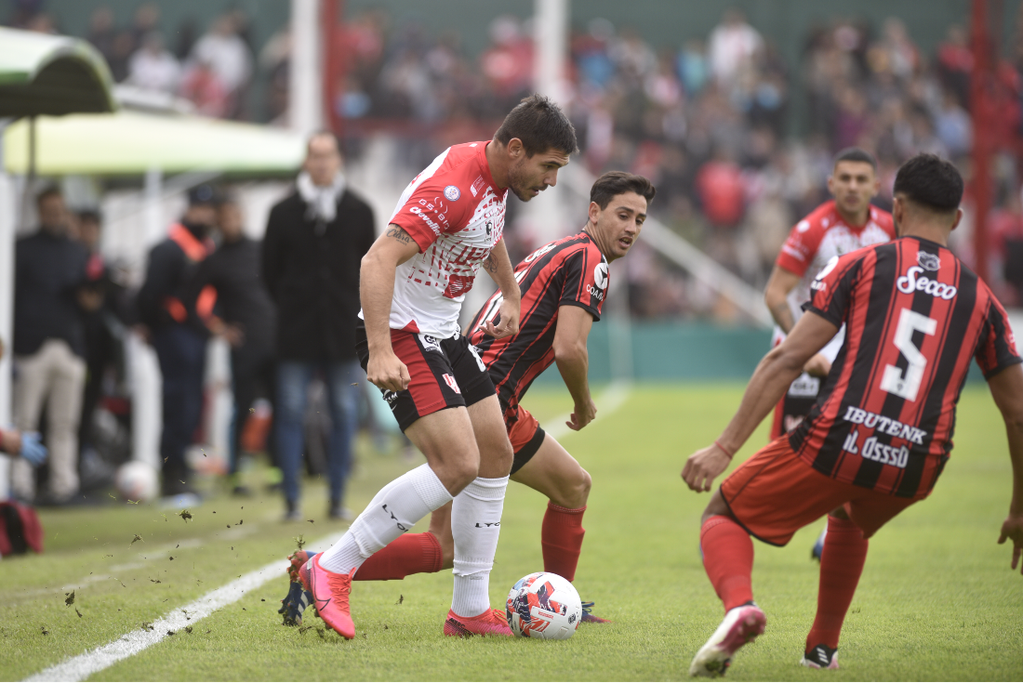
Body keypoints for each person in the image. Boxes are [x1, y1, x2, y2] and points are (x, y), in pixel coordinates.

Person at [681, 154, 1023, 676]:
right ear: (957, 219)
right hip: (919, 463)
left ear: (897, 207)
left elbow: (787, 357)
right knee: (847, 517)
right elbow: (1017, 412)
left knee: (723, 513)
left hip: (843, 438)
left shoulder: (862, 264)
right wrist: (1020, 509)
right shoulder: (984, 300)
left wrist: (723, 447)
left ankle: (741, 608)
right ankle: (822, 649)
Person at [279, 171, 655, 626]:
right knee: (571, 487)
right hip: (488, 397)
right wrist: (582, 403)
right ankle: (553, 603)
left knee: (446, 547)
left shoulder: (561, 249)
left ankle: (322, 565)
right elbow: (569, 348)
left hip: (476, 382)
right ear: (594, 212)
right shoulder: (589, 259)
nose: (632, 227)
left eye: (640, 219)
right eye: (623, 215)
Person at [297, 94, 578, 640]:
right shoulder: (452, 186)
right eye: (549, 167)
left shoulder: (494, 180)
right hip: (403, 332)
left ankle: (470, 609)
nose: (551, 180)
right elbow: (377, 259)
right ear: (516, 149)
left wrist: (511, 291)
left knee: (495, 453)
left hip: (445, 334)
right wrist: (380, 349)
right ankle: (329, 567)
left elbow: (487, 230)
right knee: (458, 464)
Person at [763, 148, 894, 559]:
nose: (853, 187)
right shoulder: (811, 229)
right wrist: (801, 350)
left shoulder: (890, 228)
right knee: (788, 447)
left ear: (876, 185)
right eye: (846, 178)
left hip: (854, 350)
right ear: (831, 183)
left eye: (861, 179)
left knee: (854, 439)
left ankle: (831, 532)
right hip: (806, 346)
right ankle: (734, 513)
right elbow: (775, 294)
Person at [262, 132, 375, 521]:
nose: (322, 163)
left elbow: (370, 268)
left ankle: (336, 498)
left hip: (342, 332)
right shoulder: (283, 212)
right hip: (295, 332)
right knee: (290, 412)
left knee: (344, 413)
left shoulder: (359, 210)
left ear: (339, 159)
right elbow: (269, 272)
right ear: (306, 161)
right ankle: (291, 500)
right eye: (315, 156)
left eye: (328, 155)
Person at [136, 184, 219, 499]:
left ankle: (181, 471)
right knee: (177, 404)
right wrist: (159, 323)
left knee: (192, 405)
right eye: (199, 209)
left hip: (197, 334)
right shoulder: (169, 249)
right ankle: (171, 475)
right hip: (174, 334)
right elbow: (149, 295)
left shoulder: (207, 247)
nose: (204, 215)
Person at [191, 196, 278, 495]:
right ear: (218, 221)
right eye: (224, 218)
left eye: (234, 216)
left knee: (280, 409)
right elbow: (190, 301)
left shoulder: (261, 249)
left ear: (241, 216)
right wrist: (219, 328)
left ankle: (277, 473)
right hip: (243, 347)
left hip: (274, 341)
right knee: (244, 409)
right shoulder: (213, 260)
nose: (230, 223)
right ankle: (235, 475)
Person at [10, 188, 89, 505]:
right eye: (48, 209)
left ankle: (63, 486)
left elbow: (87, 302)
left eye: (59, 208)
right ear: (40, 211)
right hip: (32, 346)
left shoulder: (77, 250)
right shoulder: (23, 248)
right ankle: (20, 486)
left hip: (68, 345)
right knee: (24, 421)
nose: (54, 214)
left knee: (65, 423)